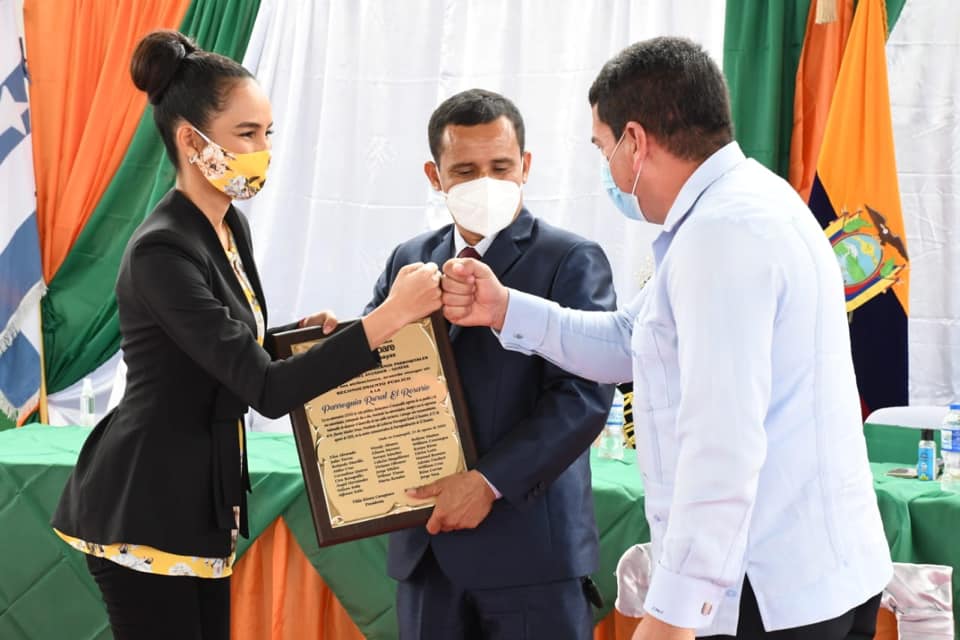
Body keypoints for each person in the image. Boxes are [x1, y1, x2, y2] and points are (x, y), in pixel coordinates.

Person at [440, 38, 892, 640]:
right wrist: (504, 309)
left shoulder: (721, 235)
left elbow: (722, 441)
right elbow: (632, 338)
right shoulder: (750, 201)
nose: (607, 170)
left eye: (602, 148)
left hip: (767, 586)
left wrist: (675, 612)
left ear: (635, 141)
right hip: (814, 573)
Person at [51, 30, 441, 640]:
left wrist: (303, 339)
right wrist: (388, 317)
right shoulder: (162, 250)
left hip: (199, 504)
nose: (263, 151)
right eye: (247, 134)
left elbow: (227, 350)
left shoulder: (227, 224)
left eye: (267, 134)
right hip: (147, 503)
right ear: (191, 141)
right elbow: (267, 389)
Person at [364, 88, 617, 639]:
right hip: (427, 551)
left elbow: (583, 397)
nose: (486, 181)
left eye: (500, 167)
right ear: (435, 176)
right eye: (465, 170)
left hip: (531, 556)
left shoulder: (571, 259)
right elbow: (375, 376)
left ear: (525, 165)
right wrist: (335, 341)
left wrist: (487, 482)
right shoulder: (409, 258)